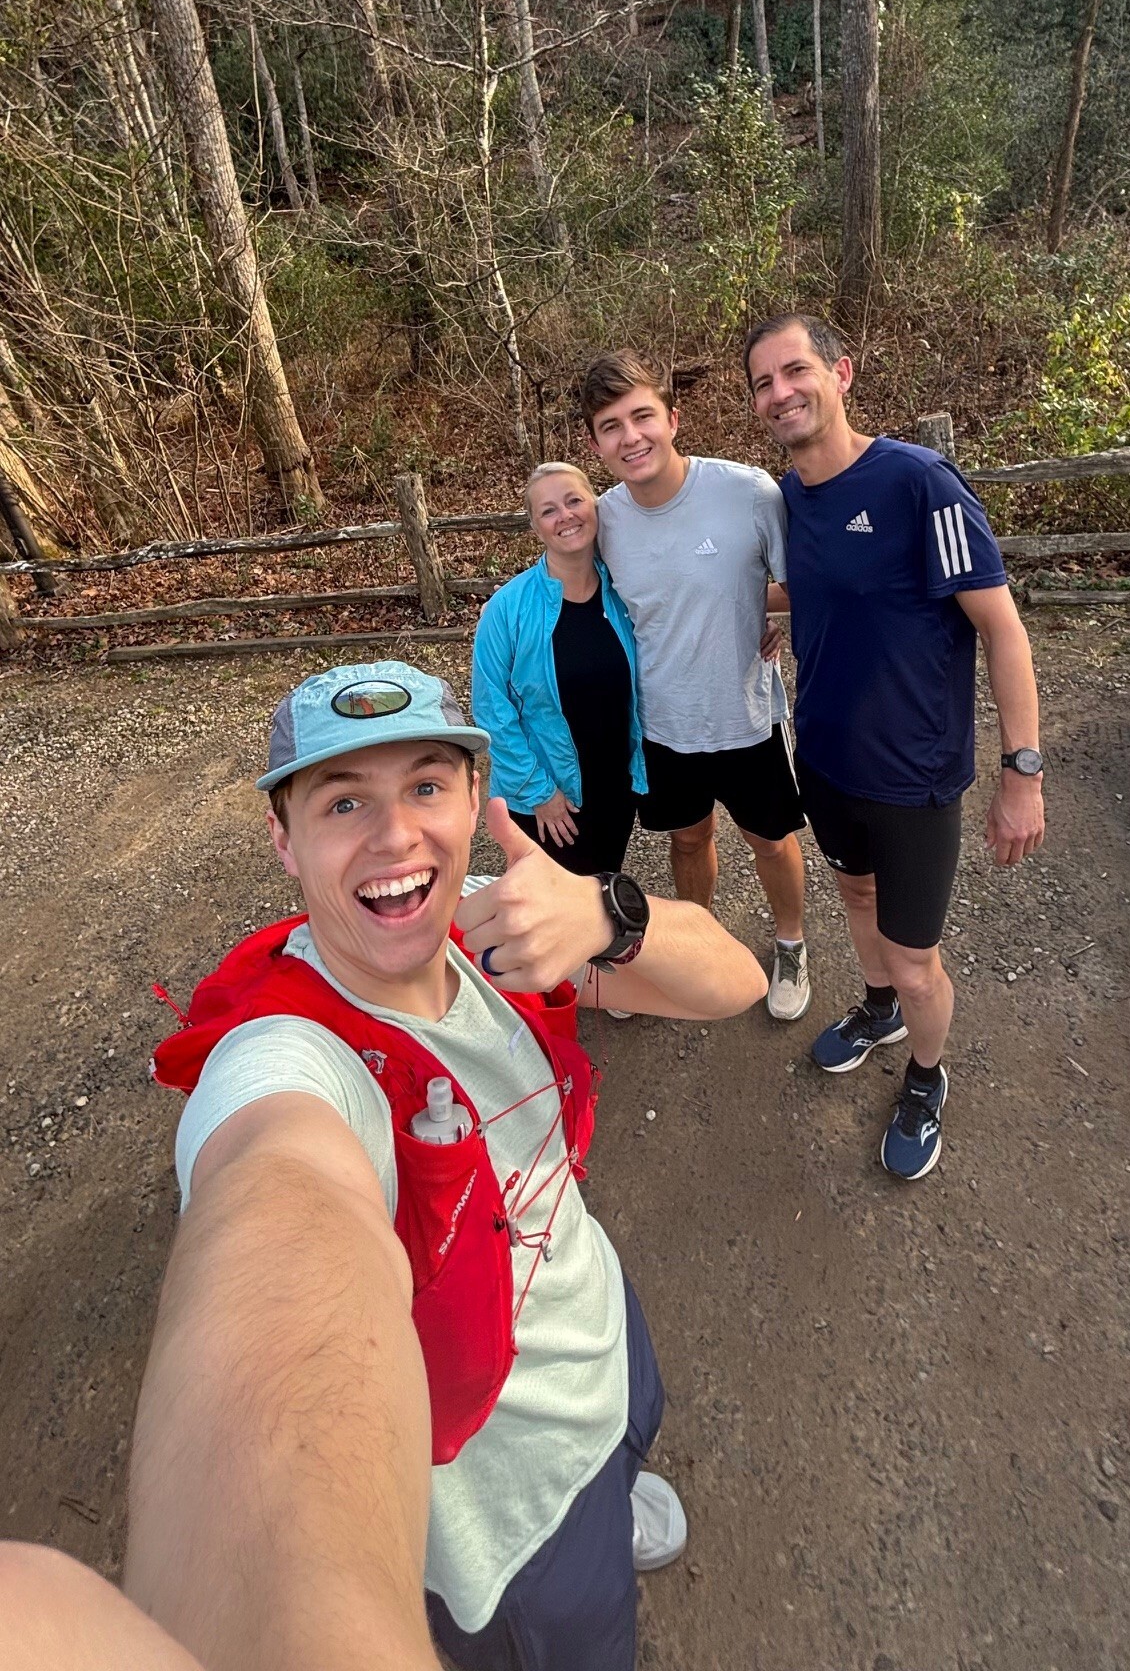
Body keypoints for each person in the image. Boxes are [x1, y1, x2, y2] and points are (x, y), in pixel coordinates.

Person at [42, 660, 763, 1671]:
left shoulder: (493, 926)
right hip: (511, 1518)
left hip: (593, 1319)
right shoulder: (287, 1057)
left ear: (474, 800)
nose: (394, 837)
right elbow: (277, 1214)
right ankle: (590, 1521)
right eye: (344, 803)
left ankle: (614, 1486)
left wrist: (608, 913)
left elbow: (737, 983)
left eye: (425, 786)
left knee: (631, 1423)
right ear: (284, 842)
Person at [745, 312, 1045, 1180]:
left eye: (795, 370)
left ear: (841, 373)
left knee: (919, 963)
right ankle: (876, 1011)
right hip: (825, 760)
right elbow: (822, 584)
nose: (780, 393)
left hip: (914, 776)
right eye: (763, 382)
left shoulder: (920, 484)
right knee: (855, 896)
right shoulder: (791, 497)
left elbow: (1003, 630)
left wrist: (1022, 773)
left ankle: (925, 1075)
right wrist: (767, 613)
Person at [579, 346, 813, 1024]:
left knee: (771, 841)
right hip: (662, 723)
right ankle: (695, 946)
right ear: (595, 445)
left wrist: (770, 617)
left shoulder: (748, 493)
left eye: (642, 416)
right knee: (687, 840)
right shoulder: (601, 522)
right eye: (611, 426)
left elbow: (799, 584)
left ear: (673, 419)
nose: (631, 437)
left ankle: (791, 945)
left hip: (745, 714)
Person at [471, 462, 646, 875]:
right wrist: (539, 793)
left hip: (615, 786)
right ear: (536, 526)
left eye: (574, 501)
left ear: (594, 506)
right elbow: (492, 708)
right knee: (549, 904)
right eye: (548, 510)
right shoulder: (507, 609)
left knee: (603, 889)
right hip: (548, 798)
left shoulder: (626, 592)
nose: (565, 516)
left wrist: (756, 625)